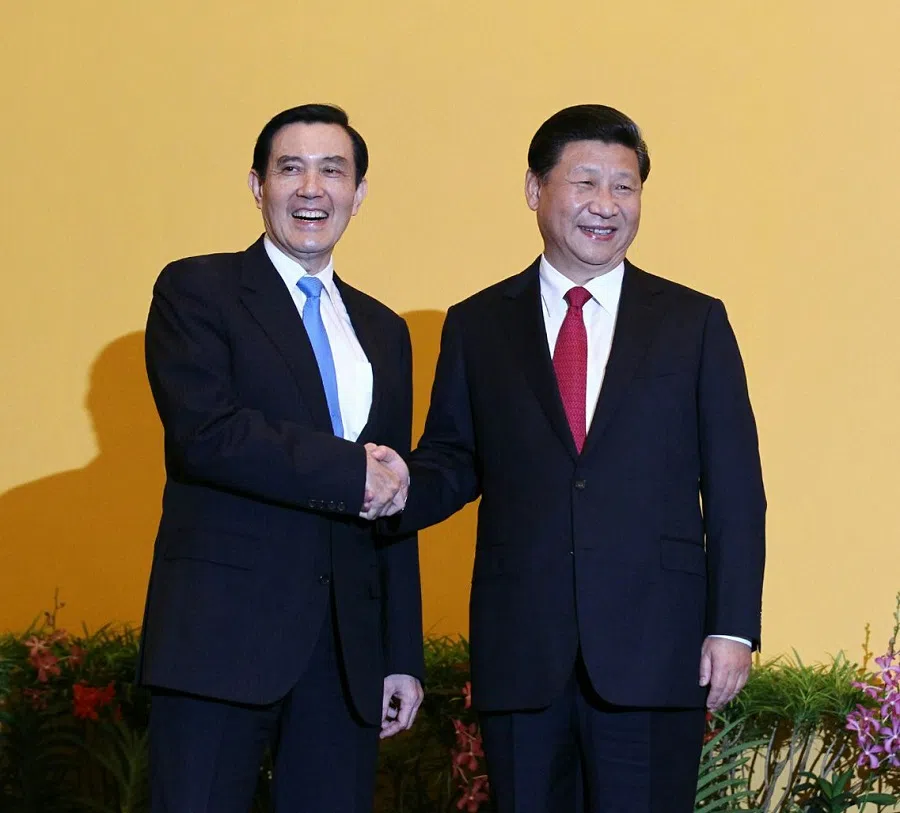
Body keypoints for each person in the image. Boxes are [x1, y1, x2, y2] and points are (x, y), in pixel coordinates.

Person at [368, 104, 766, 812]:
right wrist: (402, 483)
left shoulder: (694, 322)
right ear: (534, 189)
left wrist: (731, 624)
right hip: (523, 650)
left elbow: (736, 485)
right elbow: (456, 459)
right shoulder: (478, 324)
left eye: (625, 186)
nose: (606, 206)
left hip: (655, 648)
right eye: (586, 182)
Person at [138, 104, 424, 813]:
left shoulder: (384, 331)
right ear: (256, 184)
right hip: (219, 640)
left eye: (333, 170)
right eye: (289, 168)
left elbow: (391, 494)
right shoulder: (196, 288)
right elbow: (208, 433)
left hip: (345, 657)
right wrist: (348, 470)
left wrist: (400, 653)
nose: (311, 188)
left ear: (359, 194)